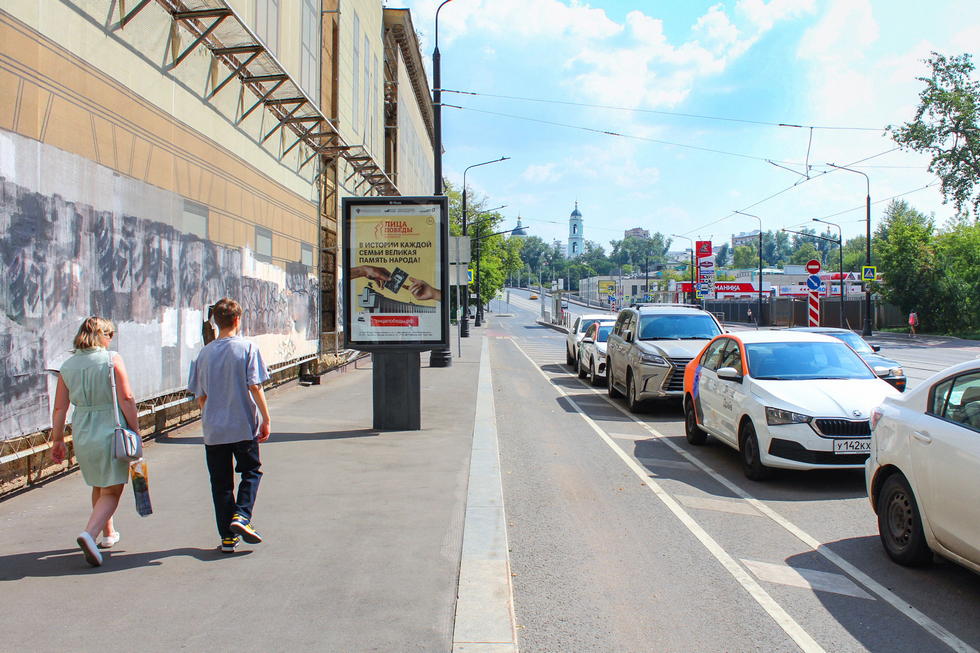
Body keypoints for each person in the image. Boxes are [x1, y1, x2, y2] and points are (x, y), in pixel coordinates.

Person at [50, 317, 139, 567]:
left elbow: (59, 408)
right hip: (111, 426)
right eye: (110, 335)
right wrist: (136, 429)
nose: (111, 341)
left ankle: (108, 533)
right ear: (103, 335)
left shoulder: (67, 366)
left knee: (99, 483)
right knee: (113, 489)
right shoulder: (112, 359)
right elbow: (127, 398)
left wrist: (57, 439)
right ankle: (89, 535)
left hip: (83, 429)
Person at [188, 298, 271, 553]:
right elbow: (254, 386)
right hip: (241, 425)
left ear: (216, 321)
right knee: (251, 472)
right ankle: (242, 516)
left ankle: (227, 538)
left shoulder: (204, 353)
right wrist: (266, 418)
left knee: (221, 483)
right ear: (238, 319)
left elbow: (200, 396)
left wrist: (211, 414)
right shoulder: (247, 348)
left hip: (213, 428)